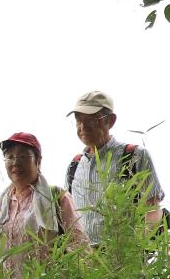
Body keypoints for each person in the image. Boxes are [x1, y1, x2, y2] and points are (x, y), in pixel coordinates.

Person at [0, 132, 87, 279]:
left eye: (23, 157)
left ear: (38, 161)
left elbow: (79, 246)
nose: (15, 163)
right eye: (10, 157)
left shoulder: (57, 198)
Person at [65, 90, 165, 243]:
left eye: (92, 119)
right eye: (79, 120)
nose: (83, 126)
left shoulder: (134, 155)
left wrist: (136, 248)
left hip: (122, 256)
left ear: (110, 121)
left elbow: (152, 209)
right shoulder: (74, 165)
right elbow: (68, 216)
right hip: (83, 259)